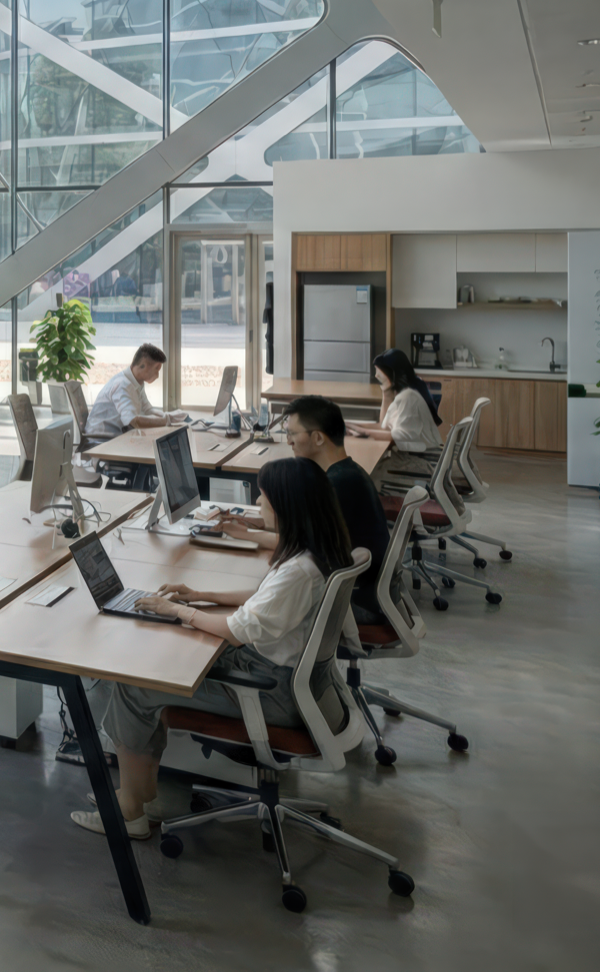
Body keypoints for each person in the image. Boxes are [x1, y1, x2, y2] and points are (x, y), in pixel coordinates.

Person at [72, 456, 358, 839]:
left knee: (133, 686)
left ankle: (130, 812)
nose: (258, 503)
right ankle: (140, 793)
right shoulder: (314, 553)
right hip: (299, 685)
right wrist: (199, 595)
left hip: (271, 693)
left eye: (264, 496)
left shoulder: (297, 572)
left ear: (288, 505)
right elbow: (262, 598)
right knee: (163, 660)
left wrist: (177, 610)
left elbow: (234, 631)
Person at [211, 395, 389, 618]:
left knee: (241, 610)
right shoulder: (345, 473)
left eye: (292, 434)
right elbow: (305, 529)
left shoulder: (338, 486)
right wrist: (252, 522)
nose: (289, 441)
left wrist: (246, 534)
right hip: (357, 592)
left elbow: (298, 544)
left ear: (317, 438)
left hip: (351, 605)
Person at [356, 349, 443, 490]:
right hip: (416, 454)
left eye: (379, 371)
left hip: (420, 458)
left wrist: (364, 432)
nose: (376, 375)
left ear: (392, 373)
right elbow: (385, 425)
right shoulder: (405, 393)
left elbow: (399, 436)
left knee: (366, 474)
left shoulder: (408, 397)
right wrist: (386, 393)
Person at [84, 344, 182, 444]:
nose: (157, 375)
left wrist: (170, 416)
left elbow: (148, 409)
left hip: (118, 437)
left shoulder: (137, 382)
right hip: (102, 442)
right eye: (156, 368)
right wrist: (167, 421)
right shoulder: (122, 385)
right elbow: (132, 421)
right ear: (143, 365)